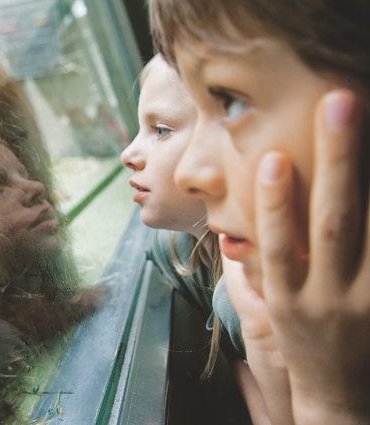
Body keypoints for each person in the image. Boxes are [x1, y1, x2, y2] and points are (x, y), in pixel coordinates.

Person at [150, 0, 370, 423]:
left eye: (231, 102)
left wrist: (335, 402)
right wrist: (268, 348)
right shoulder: (240, 301)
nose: (188, 173)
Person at [121, 54, 269, 424]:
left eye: (161, 130)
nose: (128, 154)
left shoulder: (258, 283)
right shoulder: (176, 248)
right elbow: (243, 357)